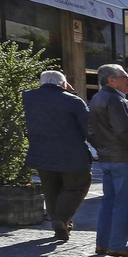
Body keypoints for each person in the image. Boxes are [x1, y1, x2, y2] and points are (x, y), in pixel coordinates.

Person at [22, 70, 92, 243]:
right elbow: (88, 128)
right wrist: (102, 148)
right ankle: (61, 219)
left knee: (51, 190)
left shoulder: (28, 97)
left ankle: (61, 225)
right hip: (73, 155)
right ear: (64, 84)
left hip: (41, 153)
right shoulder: (73, 101)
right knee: (77, 187)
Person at [87, 63, 128, 257]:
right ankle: (118, 244)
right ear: (111, 81)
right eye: (125, 77)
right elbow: (124, 130)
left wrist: (102, 149)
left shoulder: (98, 98)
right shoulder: (115, 100)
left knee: (109, 202)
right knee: (124, 203)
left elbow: (91, 131)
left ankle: (103, 243)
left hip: (109, 158)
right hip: (124, 158)